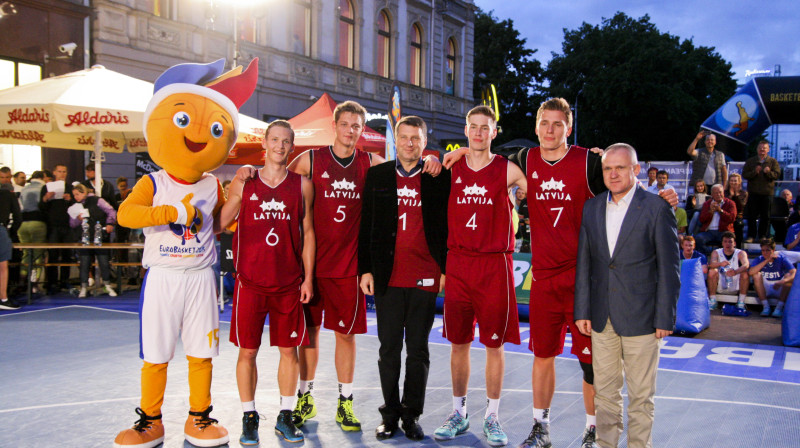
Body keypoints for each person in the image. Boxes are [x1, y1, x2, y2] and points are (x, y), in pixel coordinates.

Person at [442, 98, 677, 448]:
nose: (550, 130)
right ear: (536, 127)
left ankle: (593, 429)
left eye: (557, 124)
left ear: (569, 128)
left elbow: (622, 182)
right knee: (543, 356)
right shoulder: (524, 159)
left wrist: (659, 196)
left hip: (586, 279)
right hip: (545, 277)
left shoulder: (588, 161)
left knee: (591, 365)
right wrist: (460, 151)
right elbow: (484, 153)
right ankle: (541, 428)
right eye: (544, 124)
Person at [286, 100, 441, 432]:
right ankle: (305, 397)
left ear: (361, 129)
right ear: (334, 124)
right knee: (309, 336)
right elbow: (276, 183)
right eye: (345, 124)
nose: (350, 131)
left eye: (356, 126)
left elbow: (407, 168)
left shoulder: (372, 163)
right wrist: (246, 177)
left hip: (350, 266)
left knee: (346, 336)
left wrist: (431, 159)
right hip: (312, 267)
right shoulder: (308, 160)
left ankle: (345, 402)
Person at [575, 143, 680, 448]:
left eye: (620, 167)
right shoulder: (591, 207)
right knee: (605, 394)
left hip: (644, 319)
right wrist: (582, 309)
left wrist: (664, 317)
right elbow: (585, 263)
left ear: (636, 170)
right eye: (608, 168)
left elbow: (669, 268)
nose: (613, 173)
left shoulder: (657, 208)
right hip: (601, 318)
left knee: (641, 398)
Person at [433, 105, 526, 447]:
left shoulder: (506, 169)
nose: (477, 133)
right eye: (473, 127)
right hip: (458, 263)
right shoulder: (451, 165)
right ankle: (459, 412)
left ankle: (492, 416)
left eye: (484, 128)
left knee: (494, 344)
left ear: (494, 132)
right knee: (458, 342)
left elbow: (539, 185)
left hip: (493, 264)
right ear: (466, 129)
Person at [219, 120, 315, 445]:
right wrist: (236, 186)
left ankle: (285, 416)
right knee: (248, 351)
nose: (280, 146)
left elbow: (309, 232)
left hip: (288, 283)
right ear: (265, 142)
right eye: (274, 139)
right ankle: (249, 416)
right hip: (250, 282)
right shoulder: (245, 182)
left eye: (286, 141)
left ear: (292, 146)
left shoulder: (301, 185)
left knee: (290, 351)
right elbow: (222, 221)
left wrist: (308, 278)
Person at [358, 115, 450, 441]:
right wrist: (365, 269)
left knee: (418, 351)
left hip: (426, 276)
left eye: (417, 138)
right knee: (388, 351)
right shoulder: (379, 175)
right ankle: (390, 415)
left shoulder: (439, 177)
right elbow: (366, 223)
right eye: (405, 137)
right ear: (395, 140)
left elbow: (448, 225)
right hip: (388, 277)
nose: (410, 143)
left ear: (425, 142)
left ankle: (412, 416)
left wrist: (445, 269)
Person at [68, 184, 117, 298]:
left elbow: (111, 211)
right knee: (84, 263)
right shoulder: (75, 206)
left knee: (104, 262)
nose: (76, 197)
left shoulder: (98, 200)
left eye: (78, 194)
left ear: (84, 192)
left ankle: (107, 285)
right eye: (74, 195)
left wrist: (110, 223)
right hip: (85, 238)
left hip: (100, 236)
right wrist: (78, 219)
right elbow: (72, 224)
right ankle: (84, 287)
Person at [40, 164, 74, 294]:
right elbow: (41, 207)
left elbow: (77, 205)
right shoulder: (46, 187)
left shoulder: (70, 188)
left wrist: (70, 200)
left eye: (64, 171)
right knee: (53, 254)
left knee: (67, 254)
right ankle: (51, 282)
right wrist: (46, 198)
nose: (62, 174)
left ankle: (65, 280)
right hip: (52, 225)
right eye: (59, 171)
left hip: (67, 225)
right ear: (54, 173)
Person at [742, 141, 780, 242]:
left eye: (764, 148)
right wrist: (755, 172)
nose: (762, 150)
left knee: (765, 217)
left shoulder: (773, 162)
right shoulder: (751, 161)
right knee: (752, 216)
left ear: (768, 150)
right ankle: (751, 236)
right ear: (757, 149)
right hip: (753, 193)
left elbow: (777, 175)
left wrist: (769, 173)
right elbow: (745, 175)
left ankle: (763, 236)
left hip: (767, 194)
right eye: (760, 148)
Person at [749, 238, 795, 318]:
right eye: (763, 250)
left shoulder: (781, 258)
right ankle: (766, 307)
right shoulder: (759, 259)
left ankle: (779, 308)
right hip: (765, 288)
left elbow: (794, 272)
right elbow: (751, 272)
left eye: (768, 250)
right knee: (756, 275)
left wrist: (784, 281)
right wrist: (767, 260)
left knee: (788, 276)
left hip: (779, 287)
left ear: (773, 250)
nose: (765, 253)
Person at [18, 170, 47, 291]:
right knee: (37, 255)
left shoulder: (24, 189)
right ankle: (34, 283)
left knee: (26, 253)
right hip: (38, 223)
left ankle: (21, 281)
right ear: (43, 178)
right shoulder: (43, 188)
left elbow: (20, 206)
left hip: (23, 224)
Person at [707, 231, 750, 310]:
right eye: (725, 241)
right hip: (720, 284)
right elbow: (711, 265)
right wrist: (720, 263)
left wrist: (735, 272)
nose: (728, 244)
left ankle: (741, 302)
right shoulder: (716, 252)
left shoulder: (740, 253)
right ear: (722, 243)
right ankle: (712, 300)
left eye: (730, 242)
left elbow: (746, 265)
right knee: (712, 271)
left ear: (734, 243)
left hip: (735, 284)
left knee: (744, 273)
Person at [695, 184, 737, 255]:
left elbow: (732, 218)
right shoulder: (707, 204)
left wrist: (720, 211)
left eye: (720, 192)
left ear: (723, 193)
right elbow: (702, 220)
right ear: (711, 194)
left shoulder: (730, 203)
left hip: (724, 231)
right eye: (716, 193)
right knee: (698, 238)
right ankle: (705, 257)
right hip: (709, 232)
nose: (719, 194)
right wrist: (710, 212)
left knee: (728, 240)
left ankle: (723, 257)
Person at [0, 182, 21, 310]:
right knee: (2, 267)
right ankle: (3, 298)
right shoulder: (8, 195)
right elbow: (18, 217)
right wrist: (11, 233)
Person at [724, 173, 748, 245]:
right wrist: (731, 196)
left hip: (738, 216)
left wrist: (736, 195)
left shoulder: (744, 193)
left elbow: (741, 206)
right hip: (726, 215)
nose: (733, 183)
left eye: (735, 181)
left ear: (739, 182)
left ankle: (738, 248)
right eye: (731, 181)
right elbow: (725, 205)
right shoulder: (725, 193)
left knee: (738, 225)